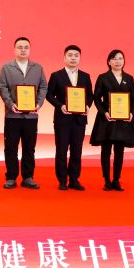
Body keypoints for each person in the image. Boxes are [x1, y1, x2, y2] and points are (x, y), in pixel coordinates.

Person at [0, 37, 47, 190]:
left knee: (29, 148)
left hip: (31, 116)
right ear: (14, 49)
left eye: (26, 47)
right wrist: (10, 104)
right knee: (11, 147)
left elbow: (43, 87)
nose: (23, 50)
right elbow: (2, 87)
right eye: (20, 47)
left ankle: (28, 177)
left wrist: (38, 103)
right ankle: (11, 177)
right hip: (12, 115)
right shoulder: (6, 68)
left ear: (30, 50)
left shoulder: (37, 68)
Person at [90, 49, 134, 191]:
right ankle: (107, 180)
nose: (118, 61)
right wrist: (104, 112)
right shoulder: (103, 77)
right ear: (109, 62)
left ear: (124, 61)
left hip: (123, 119)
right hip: (107, 119)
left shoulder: (129, 78)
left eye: (120, 58)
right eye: (114, 58)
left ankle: (117, 180)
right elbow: (96, 98)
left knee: (120, 151)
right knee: (106, 151)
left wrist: (132, 113)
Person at [46, 45, 93, 191]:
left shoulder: (85, 76)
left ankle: (74, 179)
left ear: (80, 58)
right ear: (64, 57)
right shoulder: (56, 75)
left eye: (76, 55)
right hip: (62, 119)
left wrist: (87, 106)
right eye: (70, 55)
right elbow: (49, 95)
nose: (73, 58)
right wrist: (60, 106)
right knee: (61, 150)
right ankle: (62, 180)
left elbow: (90, 96)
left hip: (79, 120)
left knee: (77, 150)